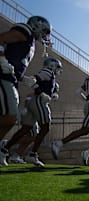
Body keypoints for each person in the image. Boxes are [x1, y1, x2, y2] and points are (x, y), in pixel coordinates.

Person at [0, 16, 51, 165]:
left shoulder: (30, 41)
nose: (45, 35)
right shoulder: (25, 31)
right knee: (10, 117)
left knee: (9, 119)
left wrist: (23, 78)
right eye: (44, 31)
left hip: (11, 78)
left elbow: (15, 61)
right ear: (37, 26)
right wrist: (1, 59)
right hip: (3, 76)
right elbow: (1, 39)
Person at [1, 57, 62, 167]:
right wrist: (40, 92)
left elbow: (38, 82)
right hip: (39, 101)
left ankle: (4, 149)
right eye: (57, 67)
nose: (58, 70)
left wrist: (49, 94)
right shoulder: (48, 71)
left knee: (25, 129)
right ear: (52, 65)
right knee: (45, 127)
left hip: (35, 101)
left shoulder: (49, 75)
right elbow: (33, 80)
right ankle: (32, 154)